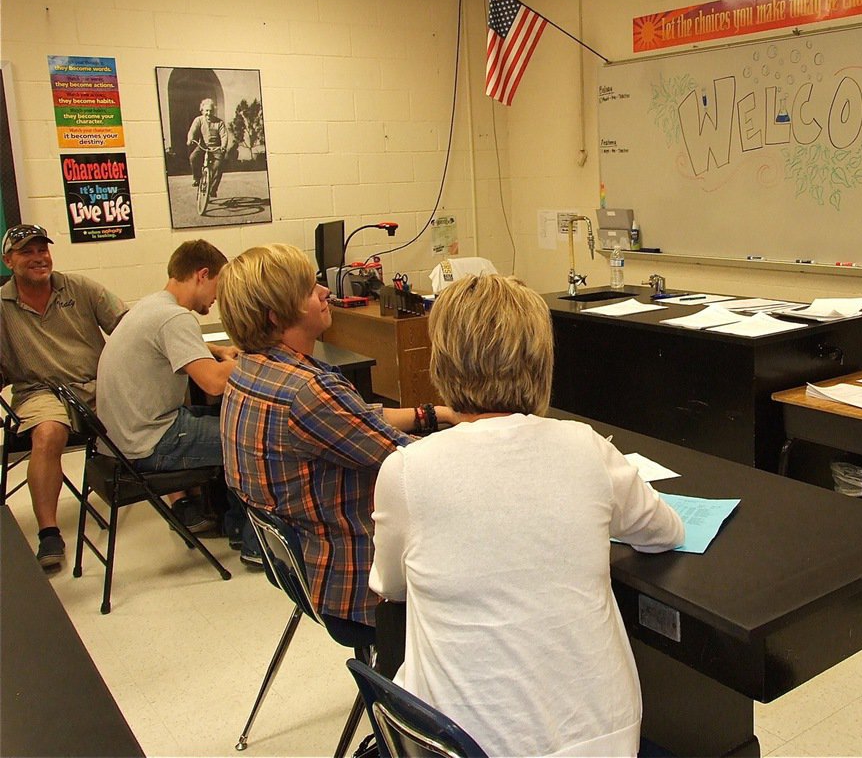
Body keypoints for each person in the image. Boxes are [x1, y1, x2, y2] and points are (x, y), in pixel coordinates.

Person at [370, 274, 685, 757]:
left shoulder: (406, 471)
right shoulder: (586, 447)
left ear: (441, 362)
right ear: (542, 362)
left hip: (461, 743)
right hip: (600, 741)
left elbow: (391, 587)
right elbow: (664, 533)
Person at [217, 243, 455, 633]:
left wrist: (433, 414)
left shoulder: (252, 370)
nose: (326, 292)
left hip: (301, 572)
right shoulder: (309, 392)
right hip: (354, 585)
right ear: (279, 315)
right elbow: (417, 466)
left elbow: (352, 421)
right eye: (311, 289)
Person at [0, 224, 127, 569]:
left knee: (144, 409)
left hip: (95, 383)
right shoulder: (1, 305)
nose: (39, 258)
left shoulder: (81, 287)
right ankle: (49, 533)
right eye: (27, 252)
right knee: (48, 433)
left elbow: (132, 328)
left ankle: (178, 500)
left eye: (43, 250)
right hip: (39, 392)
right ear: (8, 261)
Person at [96, 240, 240, 539]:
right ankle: (247, 537)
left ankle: (218, 513)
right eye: (218, 284)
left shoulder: (153, 305)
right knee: (250, 439)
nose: (218, 296)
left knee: (227, 419)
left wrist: (217, 350)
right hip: (148, 442)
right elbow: (214, 383)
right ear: (202, 275)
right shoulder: (175, 317)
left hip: (121, 439)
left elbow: (171, 346)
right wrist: (256, 358)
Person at [186, 98, 227, 196]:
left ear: (214, 111)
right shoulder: (198, 120)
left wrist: (223, 146)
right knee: (193, 158)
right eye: (206, 111)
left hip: (216, 148)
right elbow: (192, 131)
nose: (208, 113)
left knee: (218, 166)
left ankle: (213, 189)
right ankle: (197, 178)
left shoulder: (219, 123)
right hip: (203, 146)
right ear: (202, 111)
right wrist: (190, 139)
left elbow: (224, 135)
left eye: (211, 111)